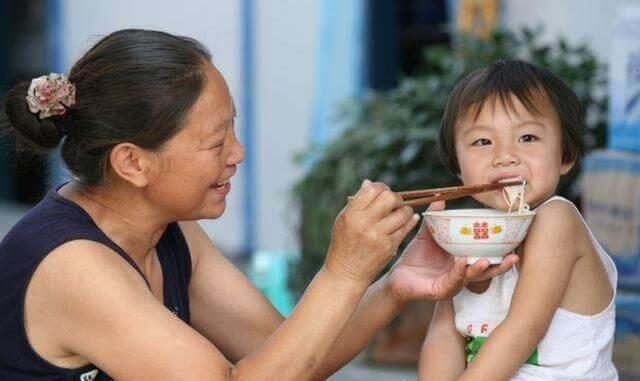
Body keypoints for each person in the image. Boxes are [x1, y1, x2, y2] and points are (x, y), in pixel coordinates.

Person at [0, 29, 517, 381]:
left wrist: (391, 285)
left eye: (233, 130)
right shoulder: (75, 268)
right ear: (133, 163)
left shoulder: (169, 232)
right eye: (215, 142)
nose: (237, 155)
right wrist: (341, 271)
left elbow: (289, 359)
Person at [418, 60, 618, 381]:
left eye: (527, 137)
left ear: (565, 155)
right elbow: (443, 336)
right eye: (482, 141)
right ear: (457, 164)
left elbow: (524, 329)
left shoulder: (556, 219)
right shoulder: (468, 235)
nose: (505, 156)